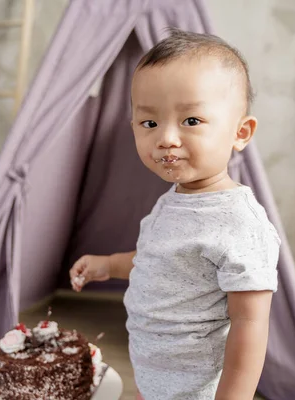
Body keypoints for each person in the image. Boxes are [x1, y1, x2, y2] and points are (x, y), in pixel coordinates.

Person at [69, 28, 281, 400]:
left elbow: (250, 324)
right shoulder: (174, 200)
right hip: (154, 377)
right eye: (150, 123)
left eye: (191, 121)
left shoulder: (239, 223)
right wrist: (110, 265)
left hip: (197, 389)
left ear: (241, 132)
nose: (166, 137)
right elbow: (162, 261)